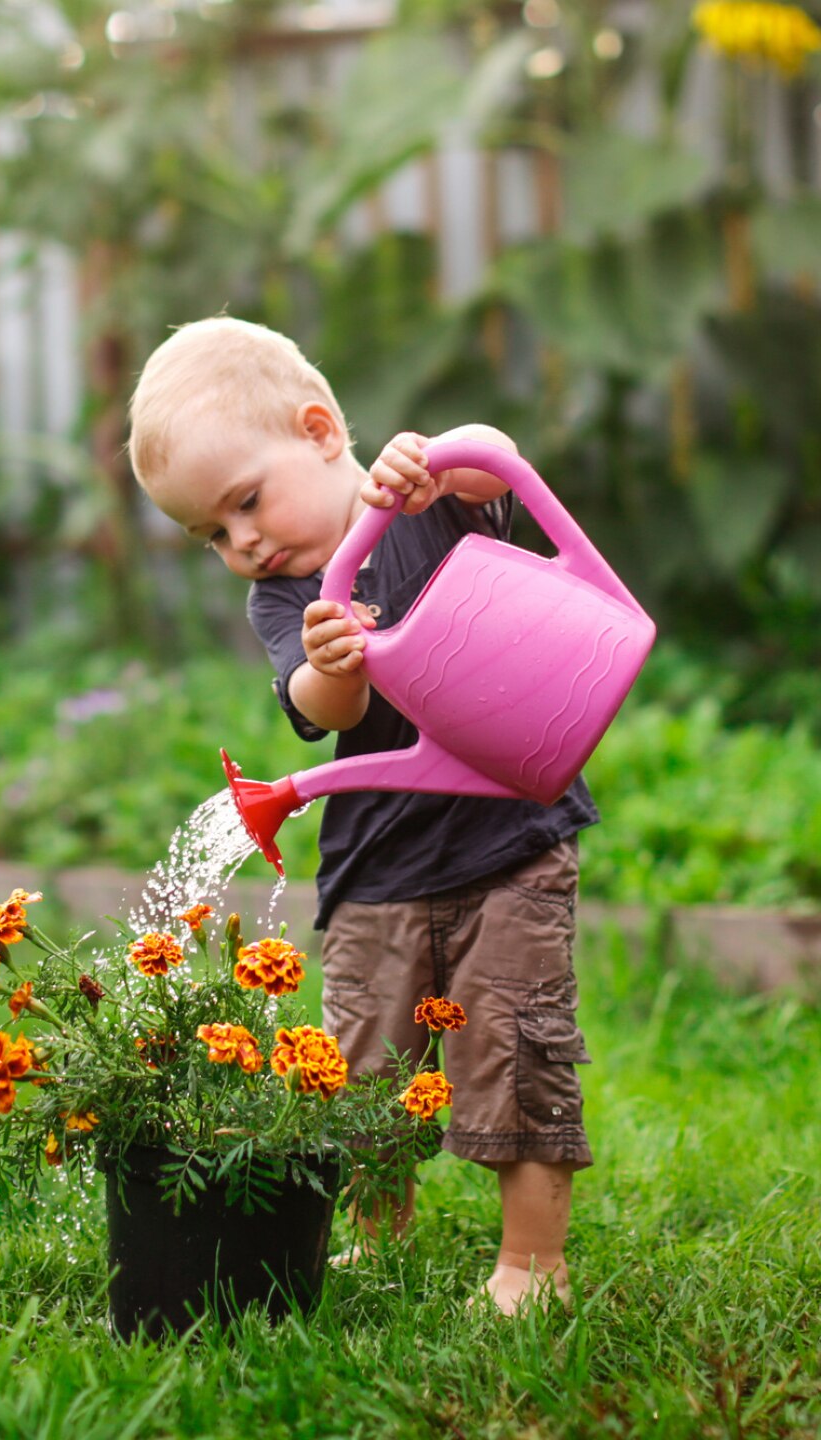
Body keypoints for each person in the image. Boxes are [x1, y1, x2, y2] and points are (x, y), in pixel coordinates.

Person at [126, 315, 598, 1315]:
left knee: (517, 1046)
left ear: (320, 429)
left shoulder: (424, 501)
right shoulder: (291, 595)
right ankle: (383, 1235)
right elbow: (313, 705)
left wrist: (438, 462)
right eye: (211, 533)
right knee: (364, 1067)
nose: (241, 540)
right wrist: (331, 665)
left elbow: (499, 466)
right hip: (377, 863)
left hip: (507, 839)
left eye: (245, 502)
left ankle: (531, 1265)